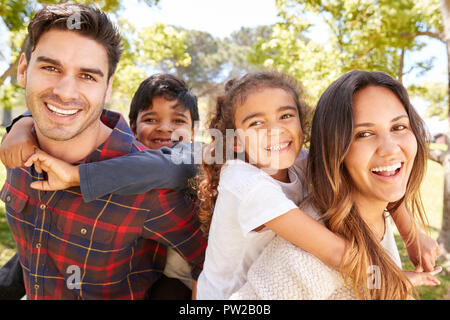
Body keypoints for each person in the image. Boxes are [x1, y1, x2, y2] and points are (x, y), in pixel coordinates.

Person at [0, 3, 206, 300]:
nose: (65, 91)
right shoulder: (18, 148)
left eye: (87, 76)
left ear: (108, 88)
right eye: (50, 67)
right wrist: (19, 125)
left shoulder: (149, 190)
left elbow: (214, 266)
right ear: (23, 70)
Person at [194, 71, 440, 300]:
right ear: (235, 142)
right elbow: (335, 253)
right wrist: (394, 279)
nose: (275, 130)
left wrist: (412, 235)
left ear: (302, 124)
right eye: (257, 123)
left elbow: (376, 177)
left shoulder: (299, 161)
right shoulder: (246, 183)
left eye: (286, 116)